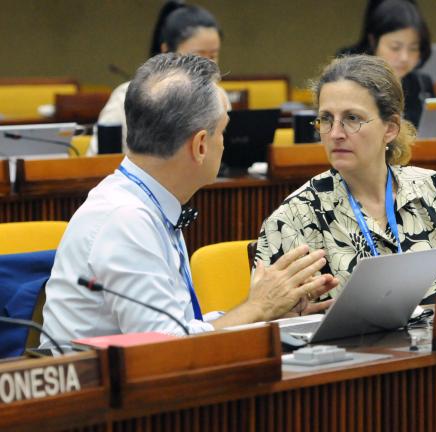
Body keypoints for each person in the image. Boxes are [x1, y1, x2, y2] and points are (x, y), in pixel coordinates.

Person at [41, 54, 337, 349]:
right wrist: (256, 308)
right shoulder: (125, 219)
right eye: (222, 131)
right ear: (199, 146)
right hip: (94, 390)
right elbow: (164, 349)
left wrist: (265, 313)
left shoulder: (146, 198)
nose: (224, 142)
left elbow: (179, 327)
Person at [255, 55, 436, 304]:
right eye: (326, 119)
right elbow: (277, 324)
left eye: (352, 118)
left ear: (391, 128)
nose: (336, 133)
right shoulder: (291, 219)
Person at [89, 2, 223, 154]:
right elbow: (98, 161)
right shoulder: (125, 98)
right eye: (198, 55)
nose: (206, 64)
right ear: (166, 50)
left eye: (213, 56)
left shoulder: (218, 97)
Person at [338, 0, 434, 127]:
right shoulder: (350, 83)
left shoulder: (422, 84)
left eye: (413, 48)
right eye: (395, 47)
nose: (404, 57)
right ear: (373, 42)